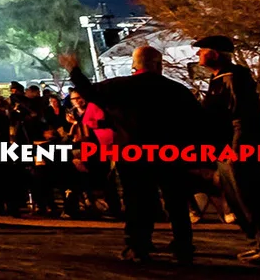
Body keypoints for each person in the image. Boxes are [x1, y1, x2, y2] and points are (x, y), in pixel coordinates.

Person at [61, 45, 205, 265]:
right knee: (175, 200)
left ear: (134, 65)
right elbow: (195, 123)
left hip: (132, 152)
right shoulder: (176, 90)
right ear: (158, 64)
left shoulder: (120, 86)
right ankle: (183, 245)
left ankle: (138, 245)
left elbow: (88, 91)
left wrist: (74, 70)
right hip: (170, 153)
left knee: (137, 199)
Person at [195, 35, 260, 264]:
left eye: (202, 50)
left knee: (250, 197)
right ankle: (258, 244)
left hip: (238, 148)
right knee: (237, 200)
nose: (198, 55)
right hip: (225, 148)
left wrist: (238, 149)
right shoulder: (219, 79)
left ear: (215, 54)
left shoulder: (234, 77)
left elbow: (241, 118)